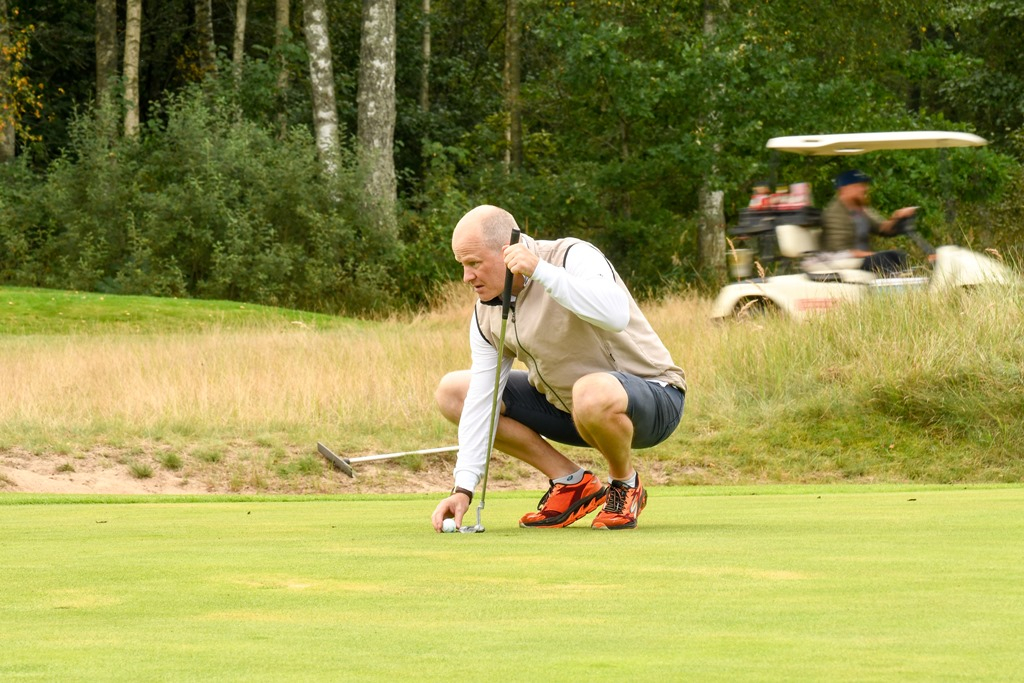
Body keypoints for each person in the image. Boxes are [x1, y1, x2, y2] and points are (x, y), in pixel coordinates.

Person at [431, 205, 686, 532]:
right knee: (453, 392)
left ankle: (625, 484)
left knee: (590, 391)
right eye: (463, 266)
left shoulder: (572, 256)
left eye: (474, 264)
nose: (467, 277)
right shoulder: (486, 312)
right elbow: (483, 399)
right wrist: (463, 487)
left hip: (653, 400)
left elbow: (614, 314)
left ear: (510, 249)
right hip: (572, 412)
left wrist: (539, 270)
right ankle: (572, 483)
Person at [821, 169, 917, 276]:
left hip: (861, 258)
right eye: (859, 186)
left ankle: (906, 287)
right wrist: (873, 255)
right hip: (839, 258)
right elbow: (841, 250)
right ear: (845, 189)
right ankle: (891, 289)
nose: (864, 189)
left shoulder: (861, 208)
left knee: (897, 256)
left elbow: (882, 228)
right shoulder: (835, 213)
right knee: (882, 259)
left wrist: (898, 217)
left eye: (865, 185)